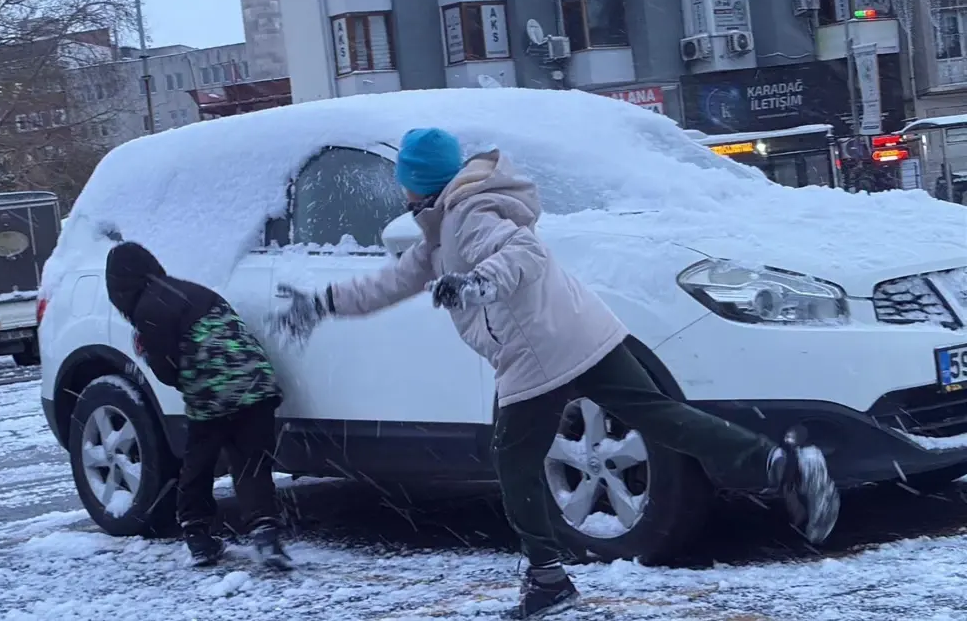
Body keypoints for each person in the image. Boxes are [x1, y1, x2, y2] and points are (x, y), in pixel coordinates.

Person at [269, 128, 840, 619]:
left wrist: (477, 284)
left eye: (405, 178)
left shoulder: (468, 217)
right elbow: (389, 282)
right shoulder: (442, 228)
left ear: (418, 180)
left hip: (537, 353)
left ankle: (547, 580)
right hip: (586, 330)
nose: (403, 188)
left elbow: (522, 252)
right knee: (662, 417)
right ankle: (780, 463)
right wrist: (322, 303)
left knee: (514, 464)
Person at [104, 240, 292, 570]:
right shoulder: (191, 291)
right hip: (256, 380)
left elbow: (165, 369)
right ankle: (265, 535)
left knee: (198, 463)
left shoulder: (148, 309)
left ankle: (199, 537)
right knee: (251, 461)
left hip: (212, 389)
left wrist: (152, 357)